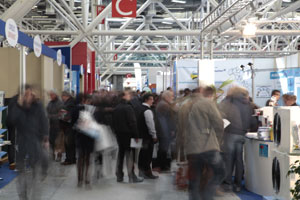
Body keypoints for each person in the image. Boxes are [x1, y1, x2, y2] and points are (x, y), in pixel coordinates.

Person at [7, 85, 49, 200]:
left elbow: (44, 121)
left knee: (36, 172)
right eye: (26, 95)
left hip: (35, 142)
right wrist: (19, 106)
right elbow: (11, 121)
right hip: (21, 142)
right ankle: (23, 196)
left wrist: (45, 138)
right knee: (22, 175)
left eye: (29, 94)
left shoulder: (37, 105)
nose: (28, 96)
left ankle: (35, 196)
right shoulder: (15, 104)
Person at [185, 87, 225, 200]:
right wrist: (218, 140)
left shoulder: (187, 105)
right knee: (220, 172)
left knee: (195, 177)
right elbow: (218, 123)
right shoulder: (207, 103)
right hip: (207, 146)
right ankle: (207, 196)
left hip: (192, 146)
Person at [219, 87, 257, 192]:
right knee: (239, 159)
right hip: (242, 134)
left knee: (228, 159)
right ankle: (238, 184)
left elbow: (220, 117)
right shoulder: (248, 103)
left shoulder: (227, 102)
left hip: (230, 133)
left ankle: (228, 183)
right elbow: (252, 119)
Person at [112, 90, 143, 183]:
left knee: (121, 154)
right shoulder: (128, 108)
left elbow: (113, 122)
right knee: (130, 155)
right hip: (128, 134)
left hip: (119, 134)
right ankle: (131, 175)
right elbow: (132, 122)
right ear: (123, 97)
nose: (130, 96)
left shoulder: (116, 107)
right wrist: (136, 135)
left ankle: (119, 175)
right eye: (128, 94)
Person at [72, 93, 95, 188]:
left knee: (81, 158)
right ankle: (86, 179)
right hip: (88, 136)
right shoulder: (93, 110)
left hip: (80, 136)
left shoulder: (76, 109)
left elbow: (72, 123)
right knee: (87, 158)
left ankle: (80, 179)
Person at [155, 90, 177, 172]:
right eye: (171, 96)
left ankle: (162, 165)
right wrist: (170, 130)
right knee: (163, 149)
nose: (172, 97)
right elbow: (167, 119)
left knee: (163, 149)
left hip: (164, 131)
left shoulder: (163, 104)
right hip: (164, 131)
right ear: (166, 97)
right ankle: (161, 166)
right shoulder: (164, 105)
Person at [138, 93, 159, 179]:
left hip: (141, 135)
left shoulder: (139, 108)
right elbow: (150, 124)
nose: (153, 101)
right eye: (151, 99)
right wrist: (154, 135)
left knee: (142, 154)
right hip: (147, 136)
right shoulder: (148, 111)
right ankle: (147, 172)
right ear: (146, 99)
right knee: (147, 155)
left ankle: (141, 171)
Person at [60, 91, 76, 165]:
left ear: (65, 96)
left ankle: (70, 159)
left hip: (69, 126)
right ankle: (70, 158)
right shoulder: (69, 102)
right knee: (69, 143)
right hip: (68, 126)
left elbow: (69, 115)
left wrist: (61, 115)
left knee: (69, 143)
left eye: (62, 96)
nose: (62, 98)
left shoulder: (70, 103)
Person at [46, 90, 63, 159]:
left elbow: (60, 115)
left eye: (52, 95)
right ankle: (52, 154)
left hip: (58, 125)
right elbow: (46, 112)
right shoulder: (50, 103)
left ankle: (59, 154)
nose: (51, 96)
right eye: (50, 95)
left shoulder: (60, 103)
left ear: (55, 95)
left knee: (58, 141)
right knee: (51, 140)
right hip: (51, 125)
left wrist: (51, 116)